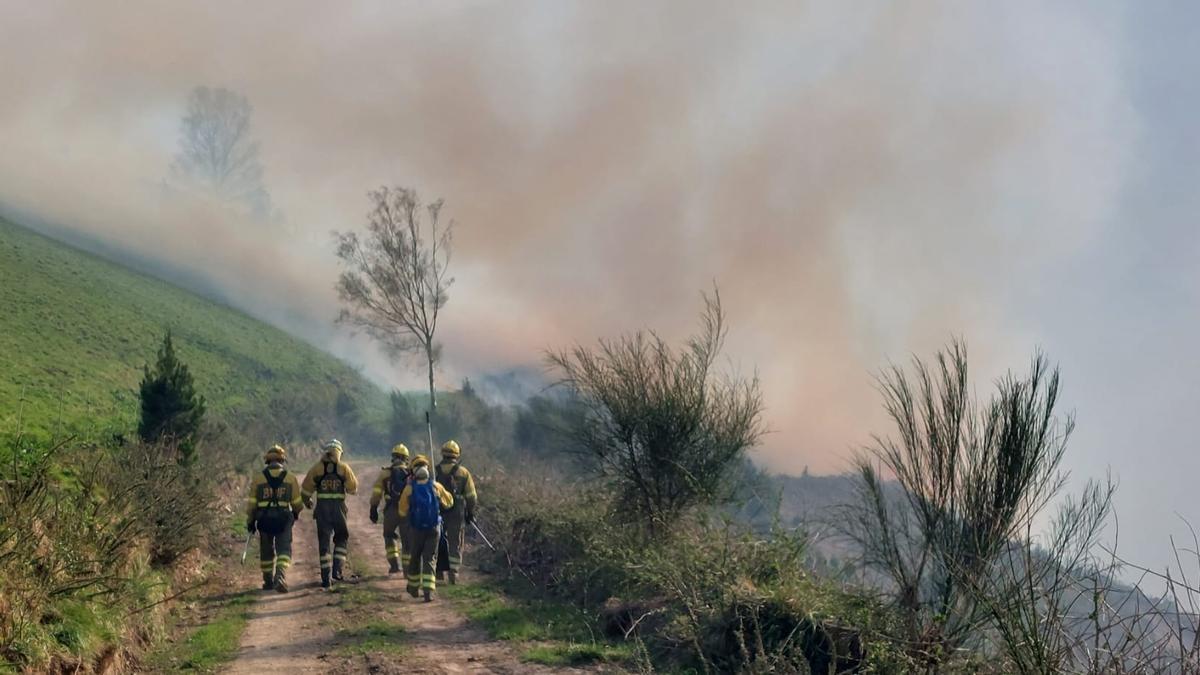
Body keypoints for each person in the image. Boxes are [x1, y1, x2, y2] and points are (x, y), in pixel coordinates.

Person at [301, 439, 359, 590]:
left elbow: (305, 490)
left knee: (324, 542)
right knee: (342, 538)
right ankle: (337, 572)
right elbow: (353, 488)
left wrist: (307, 502)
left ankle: (325, 577)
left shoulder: (317, 468)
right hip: (339, 509)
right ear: (339, 452)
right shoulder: (344, 468)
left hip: (322, 510)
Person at [246, 444, 303, 593]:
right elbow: (297, 503)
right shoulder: (290, 478)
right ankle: (280, 576)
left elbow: (252, 504)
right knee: (284, 550)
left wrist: (250, 521)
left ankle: (268, 581)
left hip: (264, 520)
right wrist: (296, 513)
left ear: (267, 461)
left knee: (266, 551)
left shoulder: (258, 479)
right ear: (282, 460)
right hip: (283, 520)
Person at [397, 454, 454, 601]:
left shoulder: (409, 489)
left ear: (414, 472)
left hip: (416, 529)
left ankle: (414, 587)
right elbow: (449, 502)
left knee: (415, 557)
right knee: (430, 559)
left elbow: (402, 511)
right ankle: (428, 591)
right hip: (434, 528)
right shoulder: (436, 486)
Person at [435, 440, 478, 584]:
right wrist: (470, 512)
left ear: (443, 453)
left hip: (439, 511)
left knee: (439, 541)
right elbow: (472, 496)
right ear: (457, 455)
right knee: (455, 542)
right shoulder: (463, 472)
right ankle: (453, 573)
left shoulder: (435, 471)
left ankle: (439, 571)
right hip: (457, 513)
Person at [369, 443, 411, 574]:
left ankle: (394, 565)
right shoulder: (411, 473)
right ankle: (407, 570)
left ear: (393, 457)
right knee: (407, 541)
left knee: (389, 536)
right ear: (406, 458)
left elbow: (377, 493)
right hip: (407, 512)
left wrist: (373, 508)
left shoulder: (385, 473)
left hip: (391, 510)